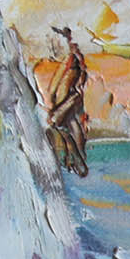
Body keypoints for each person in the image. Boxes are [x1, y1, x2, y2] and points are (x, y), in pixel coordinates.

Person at [45, 26, 89, 177]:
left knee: (58, 123)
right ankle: (75, 160)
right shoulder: (75, 57)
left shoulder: (71, 58)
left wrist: (52, 95)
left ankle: (76, 160)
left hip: (68, 100)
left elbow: (56, 82)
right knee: (69, 126)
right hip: (68, 99)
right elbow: (78, 78)